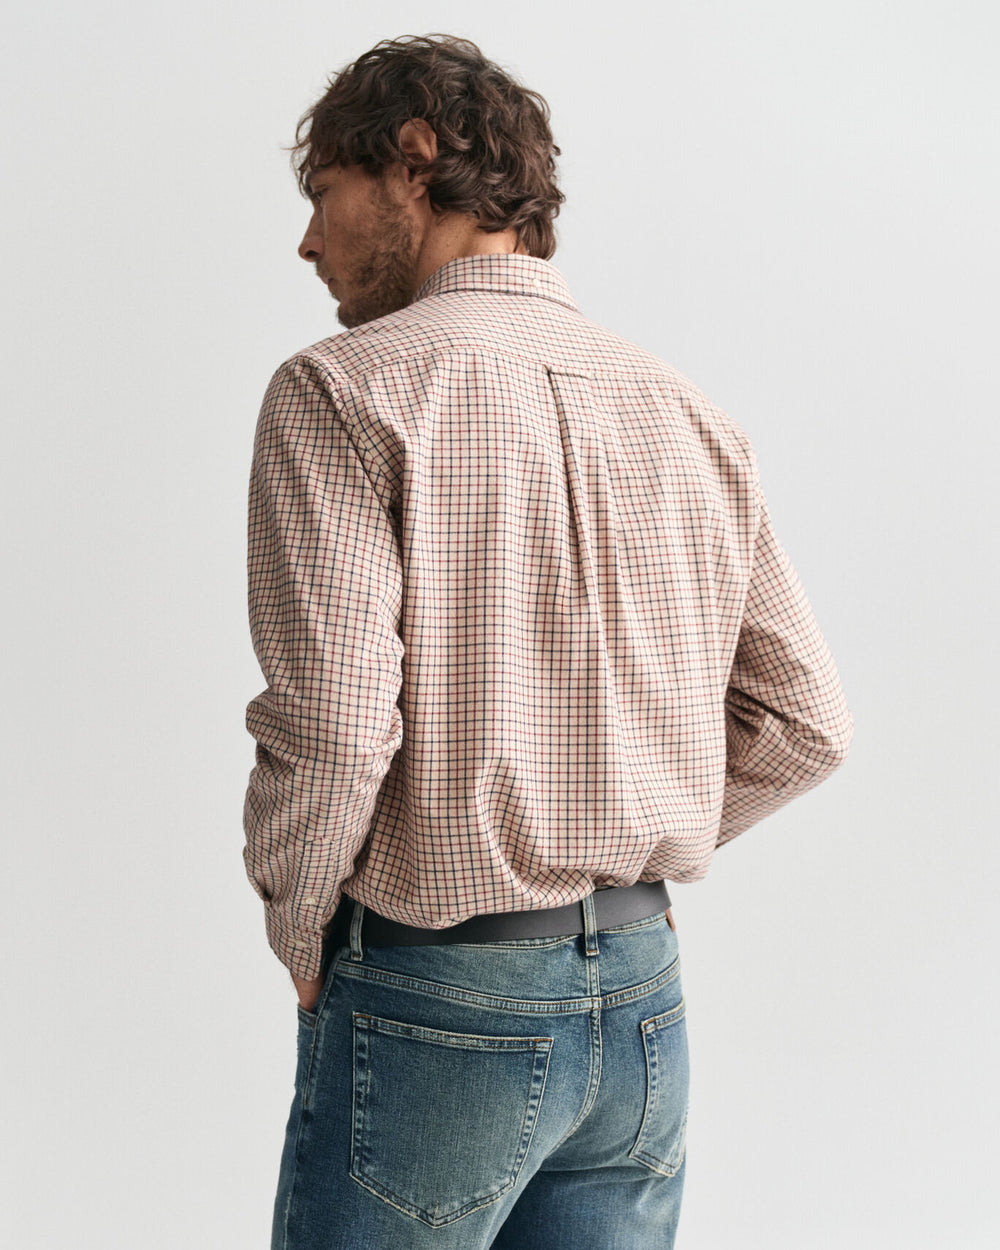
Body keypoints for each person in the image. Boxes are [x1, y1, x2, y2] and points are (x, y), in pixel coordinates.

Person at [242, 34, 853, 1250]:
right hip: (640, 999)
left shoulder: (343, 391)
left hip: (435, 992)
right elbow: (807, 723)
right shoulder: (685, 409)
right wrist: (610, 839)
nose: (308, 241)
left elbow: (338, 724)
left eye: (323, 193)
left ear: (412, 159)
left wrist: (301, 927)